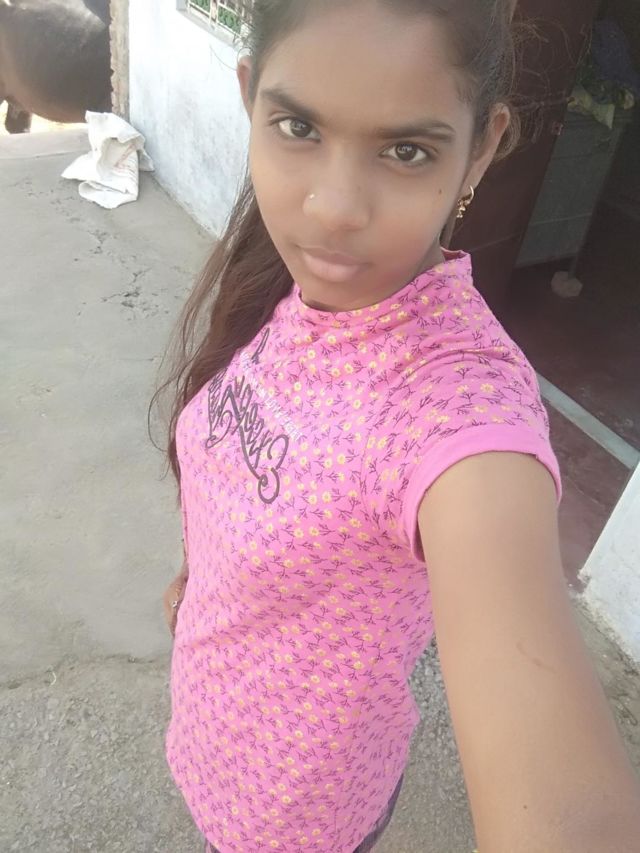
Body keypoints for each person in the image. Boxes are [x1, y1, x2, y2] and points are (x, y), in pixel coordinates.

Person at [157, 1, 640, 850]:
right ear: (250, 97)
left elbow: (566, 817)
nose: (334, 208)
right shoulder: (295, 281)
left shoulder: (452, 404)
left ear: (482, 146)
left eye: (406, 150)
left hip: (296, 821)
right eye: (299, 127)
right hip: (207, 742)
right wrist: (201, 580)